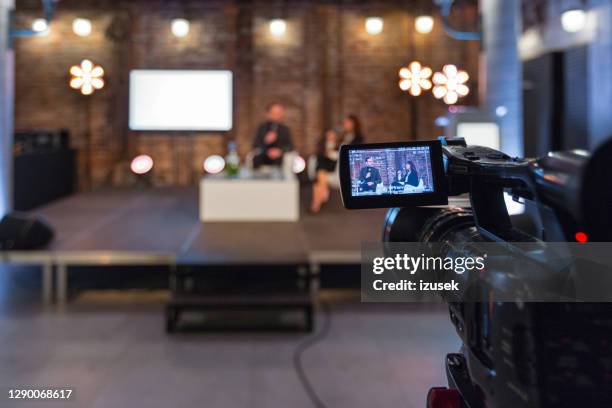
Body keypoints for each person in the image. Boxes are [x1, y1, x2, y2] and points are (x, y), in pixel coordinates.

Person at [252, 102, 294, 168]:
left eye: (279, 113)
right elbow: (255, 145)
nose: (277, 115)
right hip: (263, 157)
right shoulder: (262, 128)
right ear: (268, 114)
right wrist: (265, 142)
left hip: (279, 158)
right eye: (274, 113)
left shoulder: (284, 129)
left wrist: (280, 151)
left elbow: (290, 146)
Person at [310, 129, 340, 213]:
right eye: (329, 134)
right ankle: (321, 197)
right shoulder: (321, 146)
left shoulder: (338, 147)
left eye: (332, 134)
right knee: (321, 175)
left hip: (331, 169)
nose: (330, 136)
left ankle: (315, 204)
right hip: (321, 168)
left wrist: (330, 154)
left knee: (318, 182)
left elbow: (337, 160)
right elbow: (319, 159)